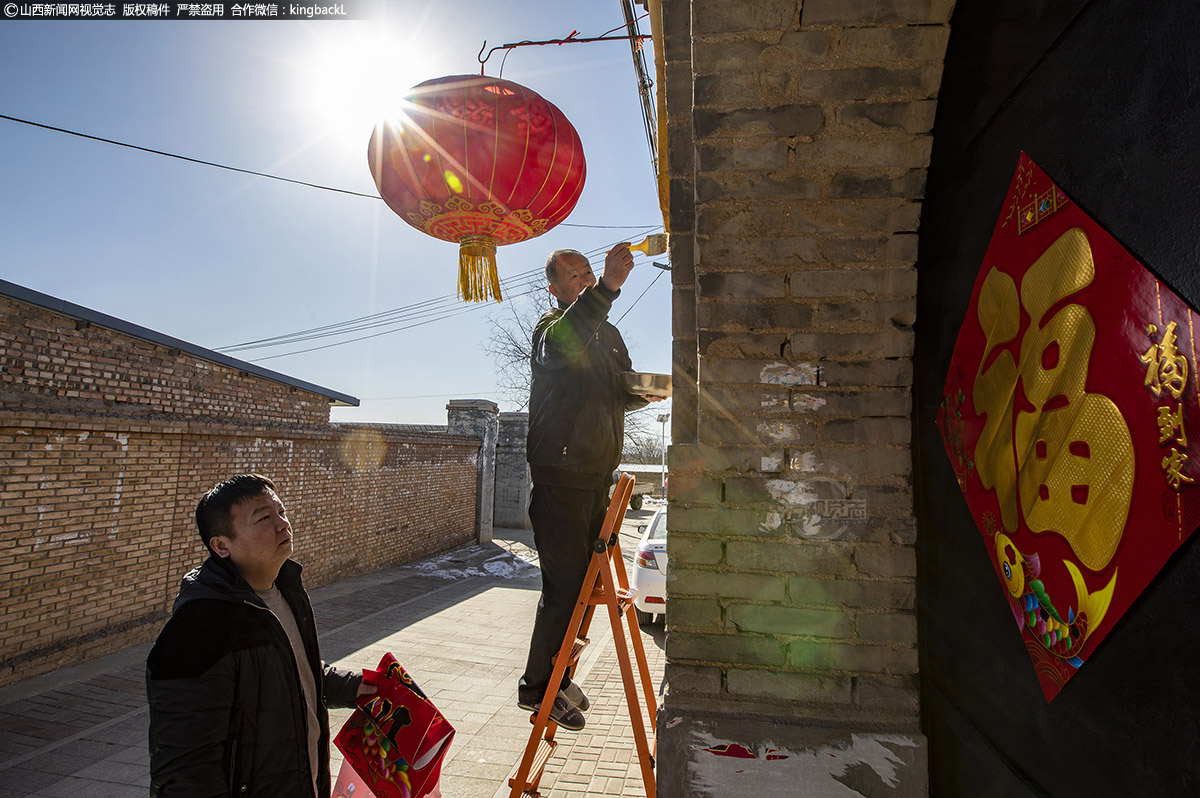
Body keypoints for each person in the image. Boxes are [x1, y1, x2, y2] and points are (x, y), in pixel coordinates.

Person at [146, 473, 376, 797]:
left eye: (281, 512)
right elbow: (185, 771)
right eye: (264, 518)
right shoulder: (198, 628)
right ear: (222, 545)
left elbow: (289, 668)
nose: (282, 524)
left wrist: (353, 687)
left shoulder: (284, 591)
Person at [518, 243, 661, 730]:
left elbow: (618, 390)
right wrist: (606, 289)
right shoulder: (550, 330)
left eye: (588, 275)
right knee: (563, 589)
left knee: (586, 587)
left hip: (598, 474)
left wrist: (647, 391)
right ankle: (537, 688)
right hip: (560, 477)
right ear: (555, 289)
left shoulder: (609, 334)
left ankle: (560, 674)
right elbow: (566, 341)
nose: (585, 281)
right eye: (576, 277)